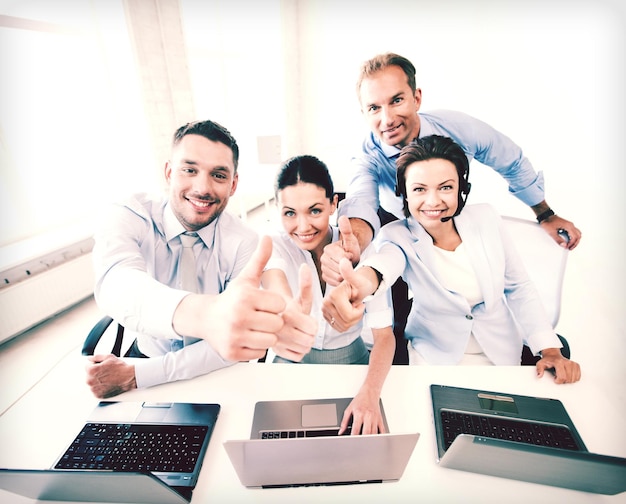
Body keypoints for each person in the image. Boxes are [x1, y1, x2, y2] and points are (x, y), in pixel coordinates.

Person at [320, 52, 582, 363]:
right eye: (374, 108)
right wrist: (355, 247)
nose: (387, 119)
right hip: (399, 222)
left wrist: (545, 213)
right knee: (403, 312)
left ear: (417, 98)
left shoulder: (462, 140)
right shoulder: (368, 163)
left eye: (397, 101)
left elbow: (509, 160)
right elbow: (363, 208)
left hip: (453, 219)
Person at [322, 135, 581, 384]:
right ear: (405, 193)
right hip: (434, 359)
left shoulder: (486, 218)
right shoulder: (396, 235)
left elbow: (519, 287)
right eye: (419, 189)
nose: (433, 201)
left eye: (445, 187)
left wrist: (549, 350)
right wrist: (356, 285)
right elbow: (381, 267)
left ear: (462, 190)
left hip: (501, 356)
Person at [86, 119, 314, 398]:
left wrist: (138, 376)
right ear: (169, 172)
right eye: (189, 170)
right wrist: (210, 316)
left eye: (218, 175)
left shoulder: (244, 241)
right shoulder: (130, 213)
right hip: (144, 356)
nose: (202, 187)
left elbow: (229, 343)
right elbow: (119, 284)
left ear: (233, 184)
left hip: (212, 370)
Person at [261, 155, 395, 434]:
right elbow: (274, 279)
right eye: (289, 213)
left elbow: (384, 336)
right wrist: (288, 310)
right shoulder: (273, 245)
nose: (303, 226)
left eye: (314, 211)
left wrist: (370, 395)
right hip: (287, 360)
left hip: (350, 361)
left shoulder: (362, 247)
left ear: (334, 204)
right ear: (277, 209)